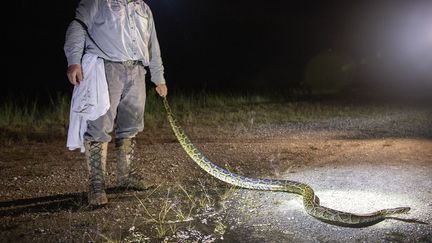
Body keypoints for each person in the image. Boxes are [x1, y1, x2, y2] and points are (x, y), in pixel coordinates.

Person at [64, 0, 167, 207]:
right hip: (106, 68)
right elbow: (77, 26)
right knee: (99, 126)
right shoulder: (97, 2)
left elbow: (152, 45)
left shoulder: (143, 8)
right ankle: (96, 185)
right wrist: (74, 60)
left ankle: (125, 177)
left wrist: (159, 77)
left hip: (137, 71)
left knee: (131, 126)